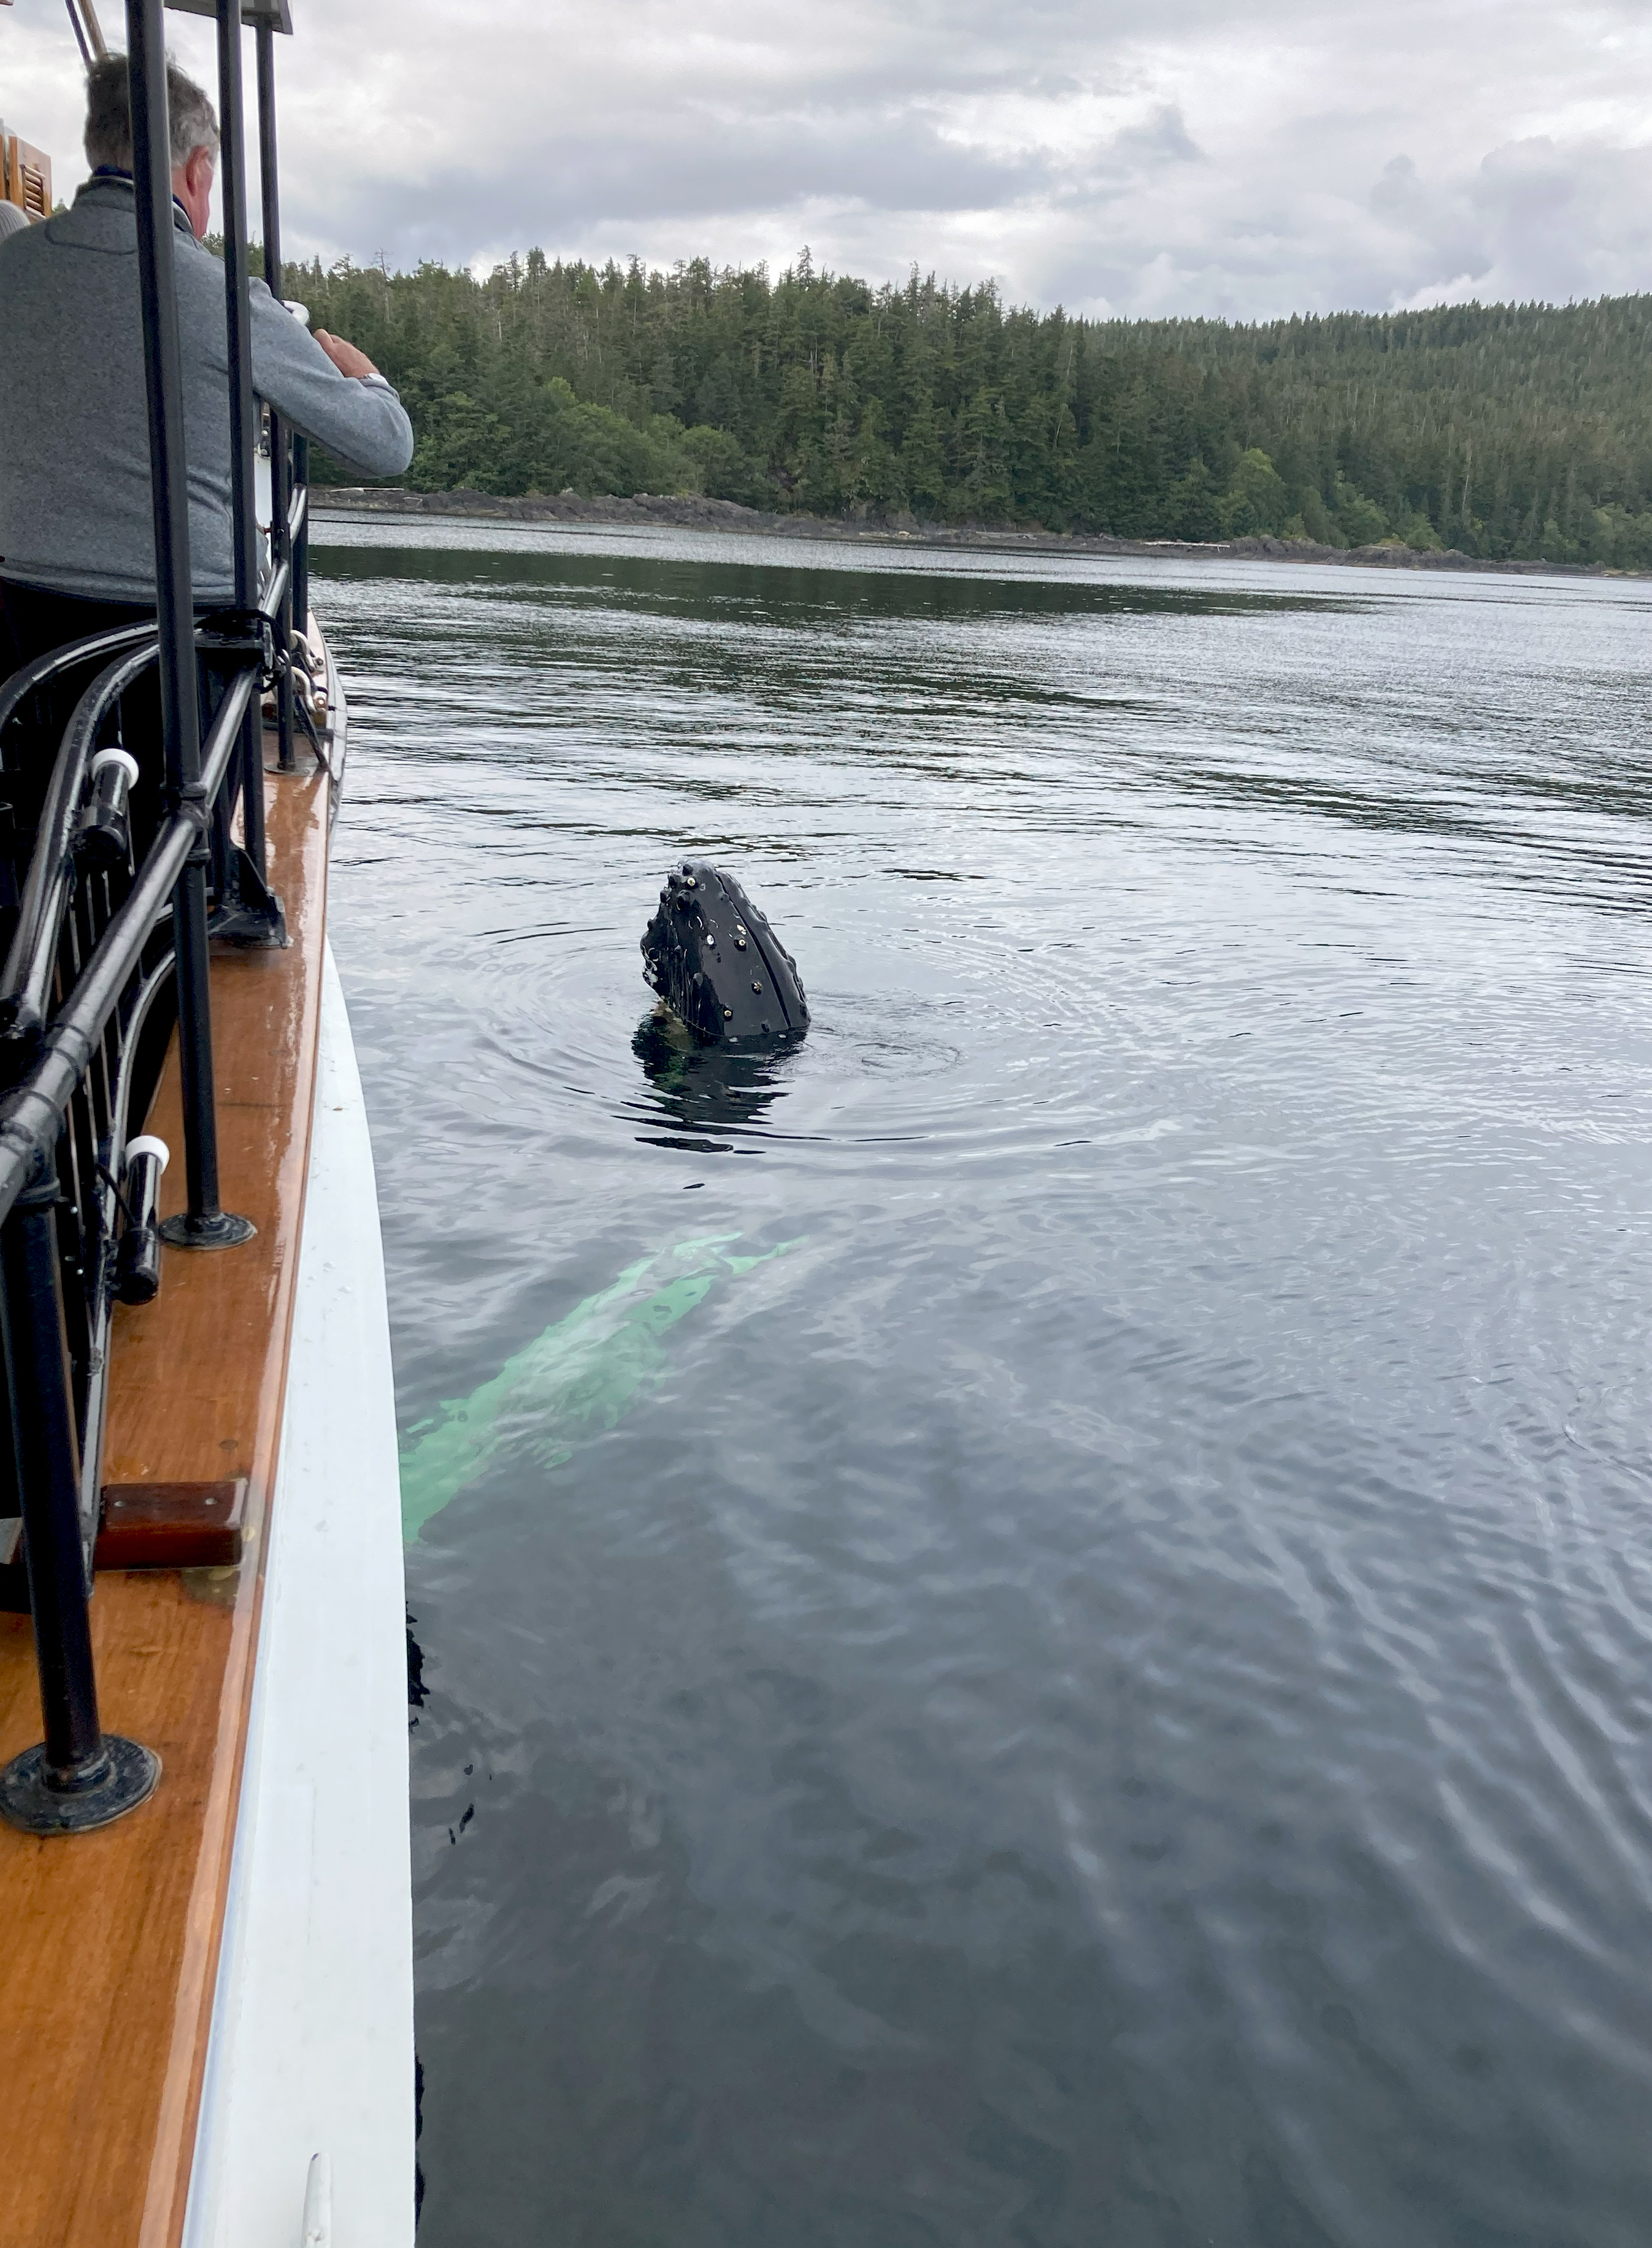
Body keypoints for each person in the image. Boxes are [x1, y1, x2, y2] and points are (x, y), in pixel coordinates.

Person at [0, 52, 412, 681]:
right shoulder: (223, 298)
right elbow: (385, 446)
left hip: (22, 621)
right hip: (179, 639)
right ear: (197, 170)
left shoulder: (13, 267)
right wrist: (367, 381)